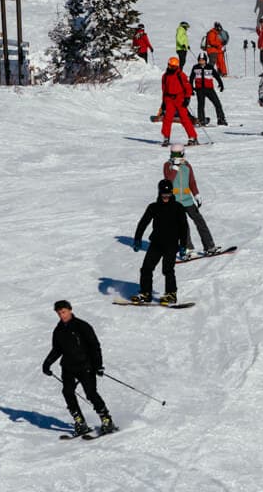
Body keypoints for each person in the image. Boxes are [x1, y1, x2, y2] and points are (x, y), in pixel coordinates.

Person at [41, 300, 114, 436]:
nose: (62, 315)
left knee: (90, 393)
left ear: (70, 310)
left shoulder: (82, 326)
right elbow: (57, 349)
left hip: (85, 366)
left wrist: (98, 365)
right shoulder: (58, 330)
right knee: (67, 392)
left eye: (63, 312)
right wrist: (47, 363)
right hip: (68, 367)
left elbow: (94, 346)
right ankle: (80, 422)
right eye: (59, 313)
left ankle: (106, 419)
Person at [131, 180, 192, 305]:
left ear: (172, 193)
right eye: (164, 194)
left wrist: (183, 245)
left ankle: (171, 294)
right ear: (159, 193)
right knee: (146, 268)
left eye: (168, 194)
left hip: (171, 244)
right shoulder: (153, 207)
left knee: (168, 269)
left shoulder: (178, 207)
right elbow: (143, 223)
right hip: (156, 243)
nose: (166, 197)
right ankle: (145, 293)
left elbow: (183, 227)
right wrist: (137, 239)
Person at [163, 147, 218, 254]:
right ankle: (187, 248)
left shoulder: (187, 165)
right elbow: (168, 182)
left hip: (187, 200)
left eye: (177, 154)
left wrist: (196, 194)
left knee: (200, 221)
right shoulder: (167, 165)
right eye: (173, 154)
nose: (175, 157)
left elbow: (192, 182)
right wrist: (174, 168)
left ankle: (209, 246)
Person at [158, 57, 199, 147]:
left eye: (173, 66)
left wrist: (187, 98)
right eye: (169, 66)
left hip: (180, 99)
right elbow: (164, 89)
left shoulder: (181, 75)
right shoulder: (165, 76)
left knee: (184, 118)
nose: (170, 68)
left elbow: (188, 87)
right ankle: (166, 137)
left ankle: (193, 137)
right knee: (167, 119)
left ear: (176, 66)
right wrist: (163, 102)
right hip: (169, 99)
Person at [191, 57, 228, 127]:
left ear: (205, 60)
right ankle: (201, 120)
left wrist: (221, 84)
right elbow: (191, 78)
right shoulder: (195, 67)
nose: (201, 62)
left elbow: (216, 76)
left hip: (209, 89)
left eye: (203, 60)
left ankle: (221, 119)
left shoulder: (210, 67)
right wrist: (191, 89)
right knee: (201, 105)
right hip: (199, 90)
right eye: (200, 60)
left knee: (217, 103)